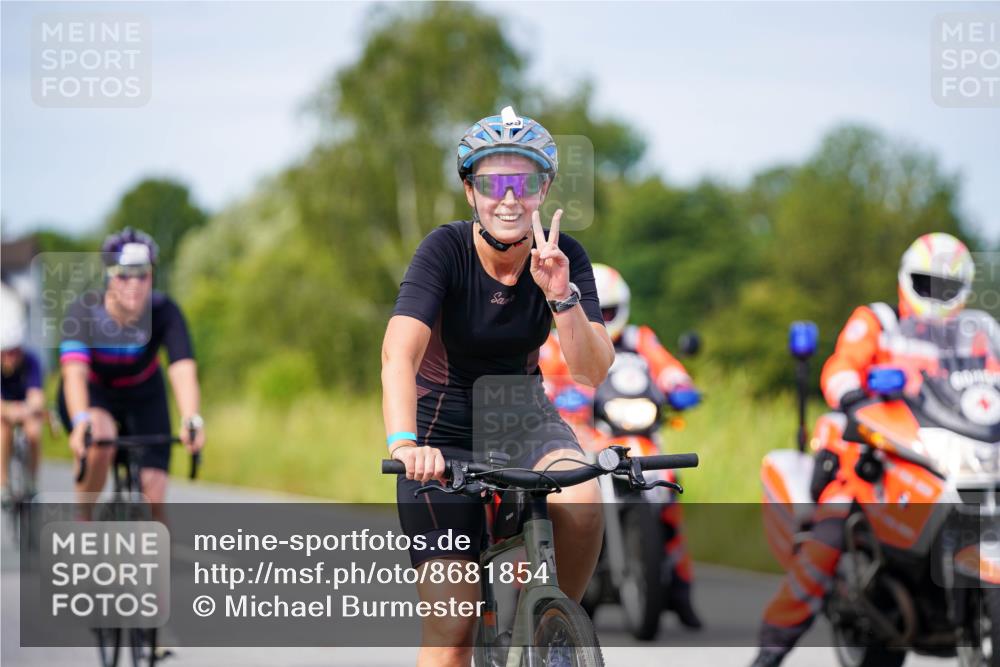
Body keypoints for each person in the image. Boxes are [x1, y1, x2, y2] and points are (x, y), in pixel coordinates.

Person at [382, 106, 614, 667]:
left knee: (582, 499)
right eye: (494, 183)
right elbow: (397, 354)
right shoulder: (445, 251)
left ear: (544, 189)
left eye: (525, 182)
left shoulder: (565, 257)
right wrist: (405, 444)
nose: (509, 199)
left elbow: (591, 370)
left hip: (520, 414)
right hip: (442, 431)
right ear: (471, 192)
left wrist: (562, 295)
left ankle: (556, 631)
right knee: (452, 625)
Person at [752, 232, 983, 666]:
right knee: (833, 530)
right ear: (906, 280)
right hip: (870, 455)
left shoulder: (973, 339)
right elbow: (840, 368)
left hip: (943, 458)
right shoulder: (878, 320)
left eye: (947, 287)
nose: (936, 295)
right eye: (927, 283)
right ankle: (770, 649)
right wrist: (855, 396)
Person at [539, 262, 703, 629]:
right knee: (553, 503)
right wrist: (551, 395)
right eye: (593, 309)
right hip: (582, 436)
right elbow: (542, 379)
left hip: (635, 434)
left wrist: (681, 387)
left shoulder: (640, 339)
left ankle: (680, 585)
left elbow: (669, 368)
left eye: (606, 311)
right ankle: (545, 585)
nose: (600, 317)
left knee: (668, 489)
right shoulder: (555, 342)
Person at [58, 228, 205, 522]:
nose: (134, 284)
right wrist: (80, 421)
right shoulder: (83, 313)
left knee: (154, 493)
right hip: (94, 391)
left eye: (143, 274)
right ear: (109, 277)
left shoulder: (164, 311)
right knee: (100, 437)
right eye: (124, 275)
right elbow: (74, 374)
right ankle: (83, 518)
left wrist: (191, 417)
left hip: (143, 392)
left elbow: (182, 367)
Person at [1, 284, 45, 505]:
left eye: (15, 351)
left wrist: (27, 409)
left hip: (25, 410)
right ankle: (3, 484)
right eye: (7, 352)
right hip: (5, 413)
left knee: (34, 431)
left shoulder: (32, 362)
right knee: (3, 430)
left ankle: (32, 483)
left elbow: (37, 397)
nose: (11, 357)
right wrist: (10, 411)